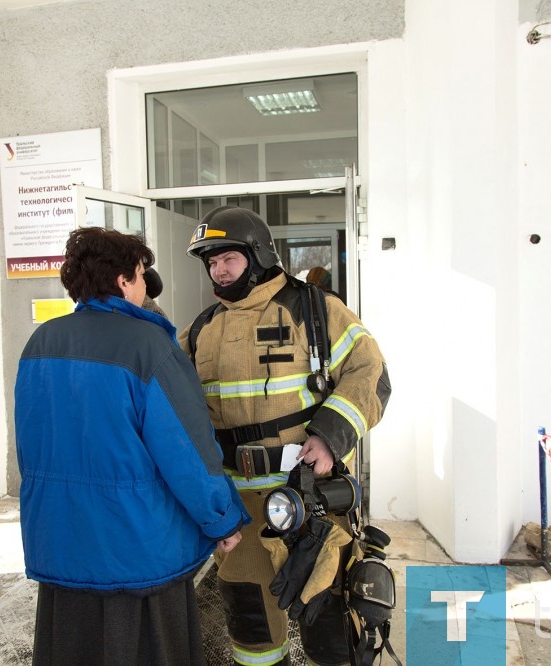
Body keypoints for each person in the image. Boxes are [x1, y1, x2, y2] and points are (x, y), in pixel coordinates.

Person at [14, 227, 249, 666]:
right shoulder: (148, 347)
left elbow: (30, 446)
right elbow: (187, 453)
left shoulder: (40, 342)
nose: (143, 286)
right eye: (141, 275)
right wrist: (222, 520)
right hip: (136, 552)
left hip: (61, 542)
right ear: (124, 281)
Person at [180, 206, 391, 666]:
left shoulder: (315, 308)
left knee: (328, 621)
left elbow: (370, 373)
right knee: (252, 630)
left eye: (227, 258)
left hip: (309, 499)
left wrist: (331, 437)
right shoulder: (200, 330)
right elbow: (171, 404)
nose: (218, 269)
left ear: (257, 254)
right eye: (211, 262)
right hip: (238, 510)